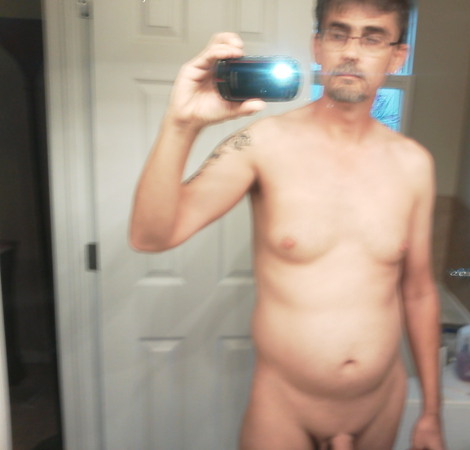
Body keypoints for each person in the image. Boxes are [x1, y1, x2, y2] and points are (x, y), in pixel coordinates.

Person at [130, 0, 445, 448]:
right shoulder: (261, 144)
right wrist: (182, 123)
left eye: (372, 38)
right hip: (284, 409)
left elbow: (419, 292)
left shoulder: (414, 165)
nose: (351, 52)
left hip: (380, 406)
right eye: (338, 33)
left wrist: (431, 411)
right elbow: (150, 235)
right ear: (317, 46)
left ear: (397, 55)